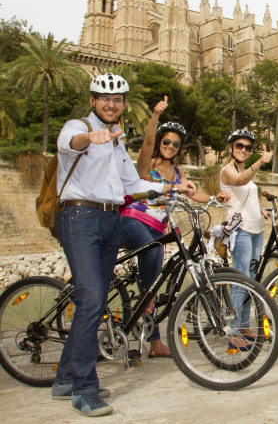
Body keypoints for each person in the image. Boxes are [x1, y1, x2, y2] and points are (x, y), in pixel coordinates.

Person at [52, 74, 194, 417]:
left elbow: (133, 183)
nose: (111, 104)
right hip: (79, 218)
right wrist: (91, 137)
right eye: (104, 98)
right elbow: (70, 143)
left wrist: (170, 189)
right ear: (92, 100)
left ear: (124, 104)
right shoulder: (77, 126)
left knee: (94, 299)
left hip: (110, 220)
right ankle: (84, 389)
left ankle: (64, 378)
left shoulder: (117, 143)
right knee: (90, 300)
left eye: (117, 100)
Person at [119, 96, 228, 358]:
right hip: (134, 219)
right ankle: (150, 316)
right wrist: (155, 115)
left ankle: (154, 340)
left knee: (157, 279)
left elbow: (193, 193)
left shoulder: (178, 173)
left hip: (157, 228)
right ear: (160, 143)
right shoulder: (148, 165)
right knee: (154, 260)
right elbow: (146, 143)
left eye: (175, 143)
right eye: (166, 141)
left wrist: (215, 198)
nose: (170, 146)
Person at [219, 129, 272, 348]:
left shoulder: (244, 170)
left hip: (256, 229)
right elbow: (240, 182)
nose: (243, 150)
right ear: (231, 147)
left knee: (250, 279)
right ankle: (231, 332)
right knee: (240, 280)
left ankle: (242, 325)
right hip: (239, 230)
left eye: (248, 147)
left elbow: (246, 192)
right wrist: (260, 161)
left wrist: (259, 209)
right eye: (239, 146)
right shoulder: (227, 171)